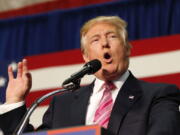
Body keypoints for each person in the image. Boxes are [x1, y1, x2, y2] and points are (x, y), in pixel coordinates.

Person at [0, 16, 180, 135]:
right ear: (86, 56)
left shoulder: (159, 95)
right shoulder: (61, 104)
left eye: (112, 37)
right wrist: (14, 101)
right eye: (95, 39)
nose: (104, 44)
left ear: (127, 49)